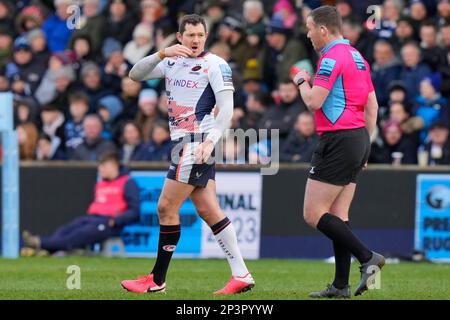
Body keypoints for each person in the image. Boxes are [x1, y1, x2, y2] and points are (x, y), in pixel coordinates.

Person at [121, 14, 254, 295]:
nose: (195, 40)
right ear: (180, 37)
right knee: (208, 209)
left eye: (200, 35)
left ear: (206, 37)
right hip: (184, 142)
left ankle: (157, 279)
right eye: (190, 35)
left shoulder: (216, 65)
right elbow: (135, 75)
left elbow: (227, 109)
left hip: (195, 143)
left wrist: (211, 142)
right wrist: (161, 52)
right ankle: (241, 274)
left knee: (165, 208)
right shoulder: (170, 62)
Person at [292, 6, 385, 298]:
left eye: (309, 28)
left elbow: (314, 102)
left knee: (312, 213)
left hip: (338, 139)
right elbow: (373, 107)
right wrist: (366, 146)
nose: (308, 35)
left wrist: (300, 82)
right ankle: (341, 285)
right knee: (338, 214)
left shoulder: (331, 57)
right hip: (358, 138)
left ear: (323, 29)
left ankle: (368, 257)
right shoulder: (357, 56)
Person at [21, 152, 140, 254]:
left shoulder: (127, 182)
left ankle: (39, 242)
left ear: (113, 166)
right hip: (92, 218)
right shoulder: (101, 184)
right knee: (66, 230)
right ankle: (45, 249)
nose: (100, 169)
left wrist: (117, 220)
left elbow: (135, 211)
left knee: (78, 235)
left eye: (103, 166)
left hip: (110, 222)